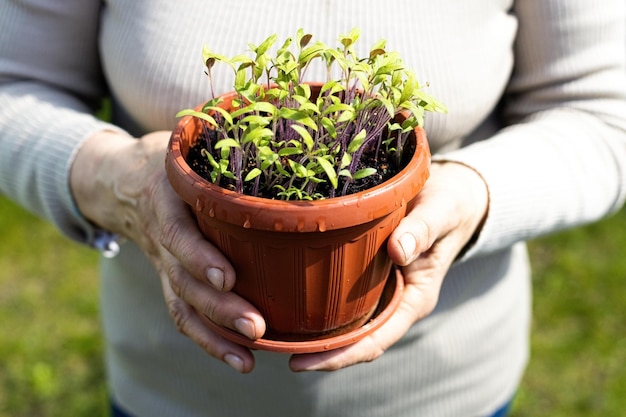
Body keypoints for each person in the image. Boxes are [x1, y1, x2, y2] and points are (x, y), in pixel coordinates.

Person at [1, 1, 625, 416]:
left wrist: (474, 193)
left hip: (447, 393)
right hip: (175, 394)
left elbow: (605, 112)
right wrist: (115, 178)